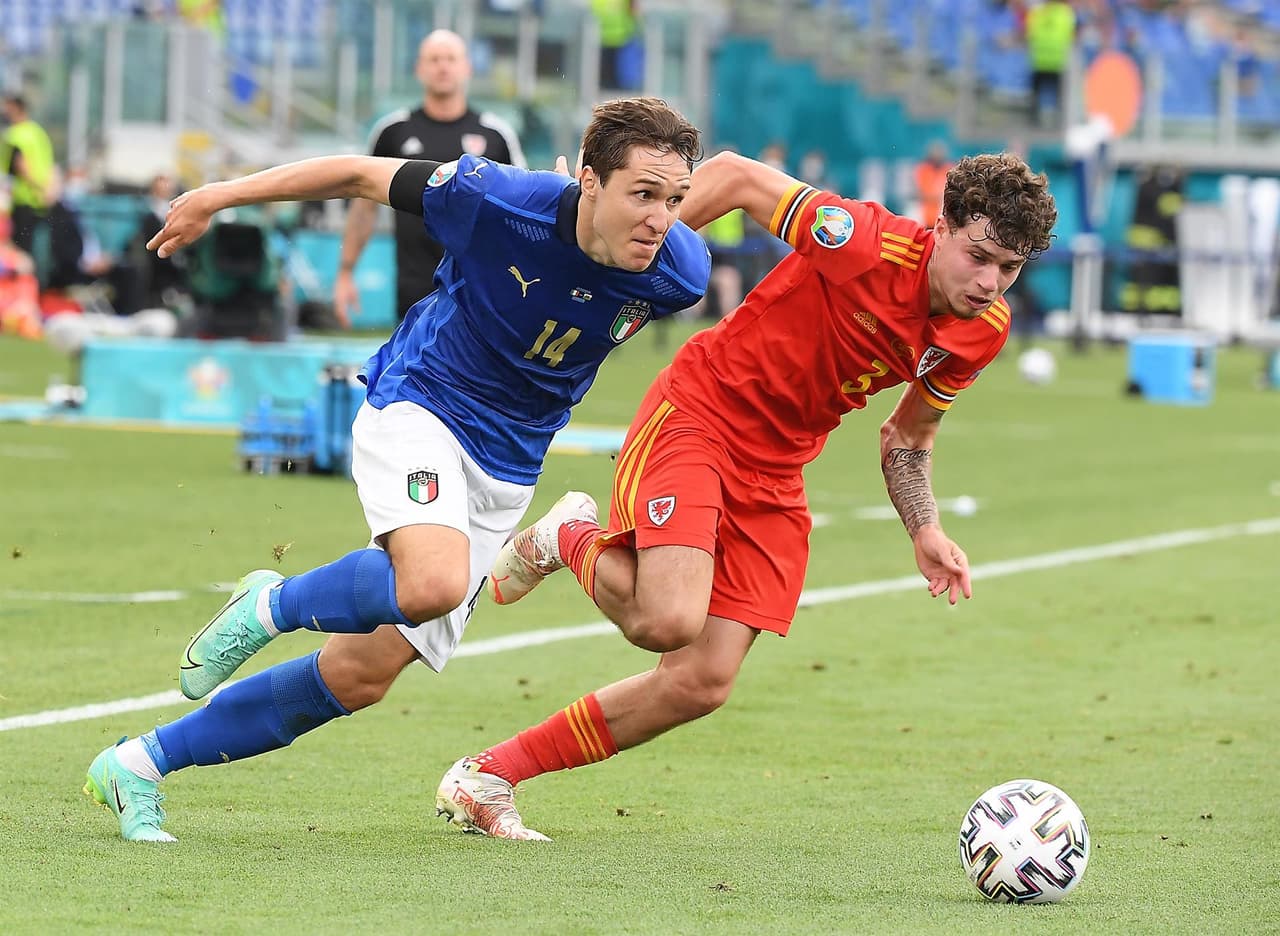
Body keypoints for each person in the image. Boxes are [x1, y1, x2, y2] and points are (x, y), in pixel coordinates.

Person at [82, 97, 709, 843]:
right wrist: (218, 195)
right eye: (642, 194)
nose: (659, 218)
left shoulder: (678, 272)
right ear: (589, 180)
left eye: (673, 199)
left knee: (359, 676)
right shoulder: (492, 199)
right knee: (431, 583)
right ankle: (272, 604)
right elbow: (353, 173)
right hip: (423, 407)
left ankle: (137, 765)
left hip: (507, 468)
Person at [436, 150, 1058, 840]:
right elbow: (731, 176)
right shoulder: (859, 240)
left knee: (699, 682)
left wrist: (926, 530)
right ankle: (565, 538)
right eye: (980, 256)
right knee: (665, 620)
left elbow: (908, 439)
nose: (991, 281)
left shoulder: (982, 331)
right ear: (941, 227)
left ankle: (489, 775)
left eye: (1010, 268)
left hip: (777, 470)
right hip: (701, 415)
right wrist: (628, 267)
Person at [333, 29, 526, 327]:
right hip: (413, 289)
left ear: (467, 68)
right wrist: (346, 272)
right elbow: (363, 207)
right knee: (412, 370)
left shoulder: (495, 135)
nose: (443, 66)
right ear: (419, 69)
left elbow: (522, 209)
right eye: (434, 59)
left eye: (451, 58)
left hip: (478, 289)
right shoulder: (393, 132)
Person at [0, 95, 55, 256]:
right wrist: (47, 190)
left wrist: (37, 186)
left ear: (16, 109)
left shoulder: (15, 134)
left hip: (20, 199)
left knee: (18, 250)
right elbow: (49, 165)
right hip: (40, 200)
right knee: (34, 249)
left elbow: (21, 166)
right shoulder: (38, 132)